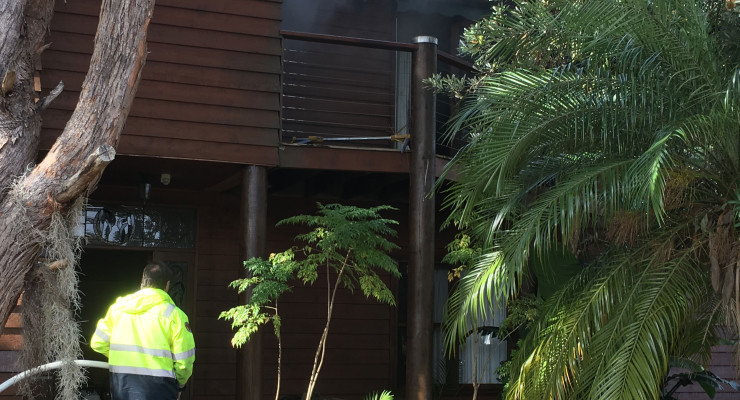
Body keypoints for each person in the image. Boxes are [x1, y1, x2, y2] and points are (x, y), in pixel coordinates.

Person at [91, 262, 195, 400]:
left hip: (123, 385)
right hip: (160, 388)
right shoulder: (175, 316)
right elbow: (184, 361)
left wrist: (122, 358)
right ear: (167, 285)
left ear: (142, 282)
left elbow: (98, 343)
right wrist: (180, 386)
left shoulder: (117, 309)